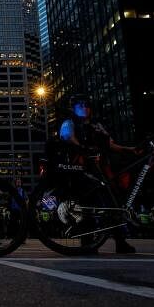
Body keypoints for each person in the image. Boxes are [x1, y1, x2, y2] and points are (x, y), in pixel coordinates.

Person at [59, 93, 140, 254]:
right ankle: (87, 242)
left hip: (103, 169)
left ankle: (120, 241)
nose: (85, 108)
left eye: (87, 105)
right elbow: (67, 137)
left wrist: (129, 149)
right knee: (87, 206)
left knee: (113, 205)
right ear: (73, 108)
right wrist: (83, 148)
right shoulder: (70, 122)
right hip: (83, 170)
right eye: (80, 105)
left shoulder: (97, 125)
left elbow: (110, 144)